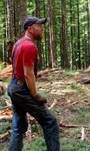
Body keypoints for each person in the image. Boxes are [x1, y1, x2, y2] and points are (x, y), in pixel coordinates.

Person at [7, 16, 60, 151]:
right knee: (50, 121)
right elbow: (28, 74)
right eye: (38, 26)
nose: (41, 29)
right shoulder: (29, 46)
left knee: (18, 126)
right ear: (30, 28)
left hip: (13, 86)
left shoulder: (18, 43)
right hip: (21, 89)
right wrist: (36, 95)